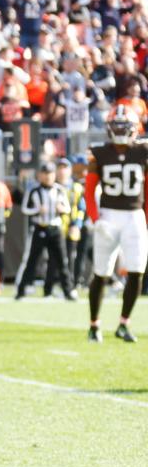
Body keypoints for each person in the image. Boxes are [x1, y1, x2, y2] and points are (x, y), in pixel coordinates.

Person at [85, 105, 148, 342]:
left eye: (125, 126)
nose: (120, 130)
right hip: (109, 215)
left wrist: (146, 219)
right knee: (101, 273)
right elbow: (89, 189)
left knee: (137, 271)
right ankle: (94, 325)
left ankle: (124, 323)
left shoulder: (143, 151)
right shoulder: (99, 152)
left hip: (134, 216)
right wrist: (95, 217)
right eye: (117, 126)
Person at [15, 162, 78, 301]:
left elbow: (68, 208)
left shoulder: (60, 190)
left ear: (54, 175)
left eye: (50, 173)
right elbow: (25, 209)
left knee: (62, 261)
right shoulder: (34, 191)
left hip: (55, 228)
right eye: (45, 173)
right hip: (40, 227)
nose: (48, 176)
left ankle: (68, 291)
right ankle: (22, 290)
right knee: (32, 260)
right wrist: (37, 210)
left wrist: (62, 209)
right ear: (40, 175)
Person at [49, 158, 85, 296]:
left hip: (71, 228)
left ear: (70, 170)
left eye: (65, 167)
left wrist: (77, 224)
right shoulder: (52, 186)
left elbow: (81, 208)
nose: (62, 171)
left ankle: (69, 286)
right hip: (55, 227)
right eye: (60, 167)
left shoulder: (76, 187)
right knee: (53, 258)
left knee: (69, 258)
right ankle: (52, 286)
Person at [69, 154, 94, 290]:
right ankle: (74, 280)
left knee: (83, 253)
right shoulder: (73, 182)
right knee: (75, 253)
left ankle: (77, 280)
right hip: (74, 222)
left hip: (87, 222)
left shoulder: (89, 181)